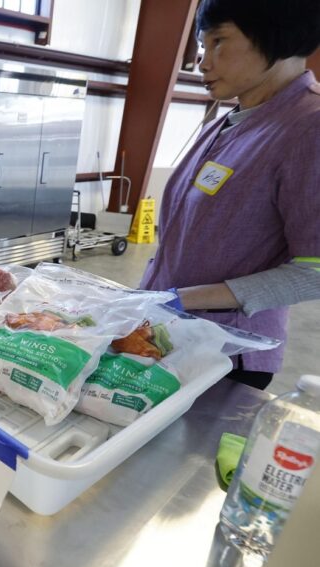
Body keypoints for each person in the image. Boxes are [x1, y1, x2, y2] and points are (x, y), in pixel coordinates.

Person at [140, 0, 320, 390]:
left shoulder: (309, 127)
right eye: (203, 45)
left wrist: (183, 298)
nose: (204, 62)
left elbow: (315, 271)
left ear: (277, 35)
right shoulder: (228, 120)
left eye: (219, 41)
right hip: (165, 332)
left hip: (225, 354)